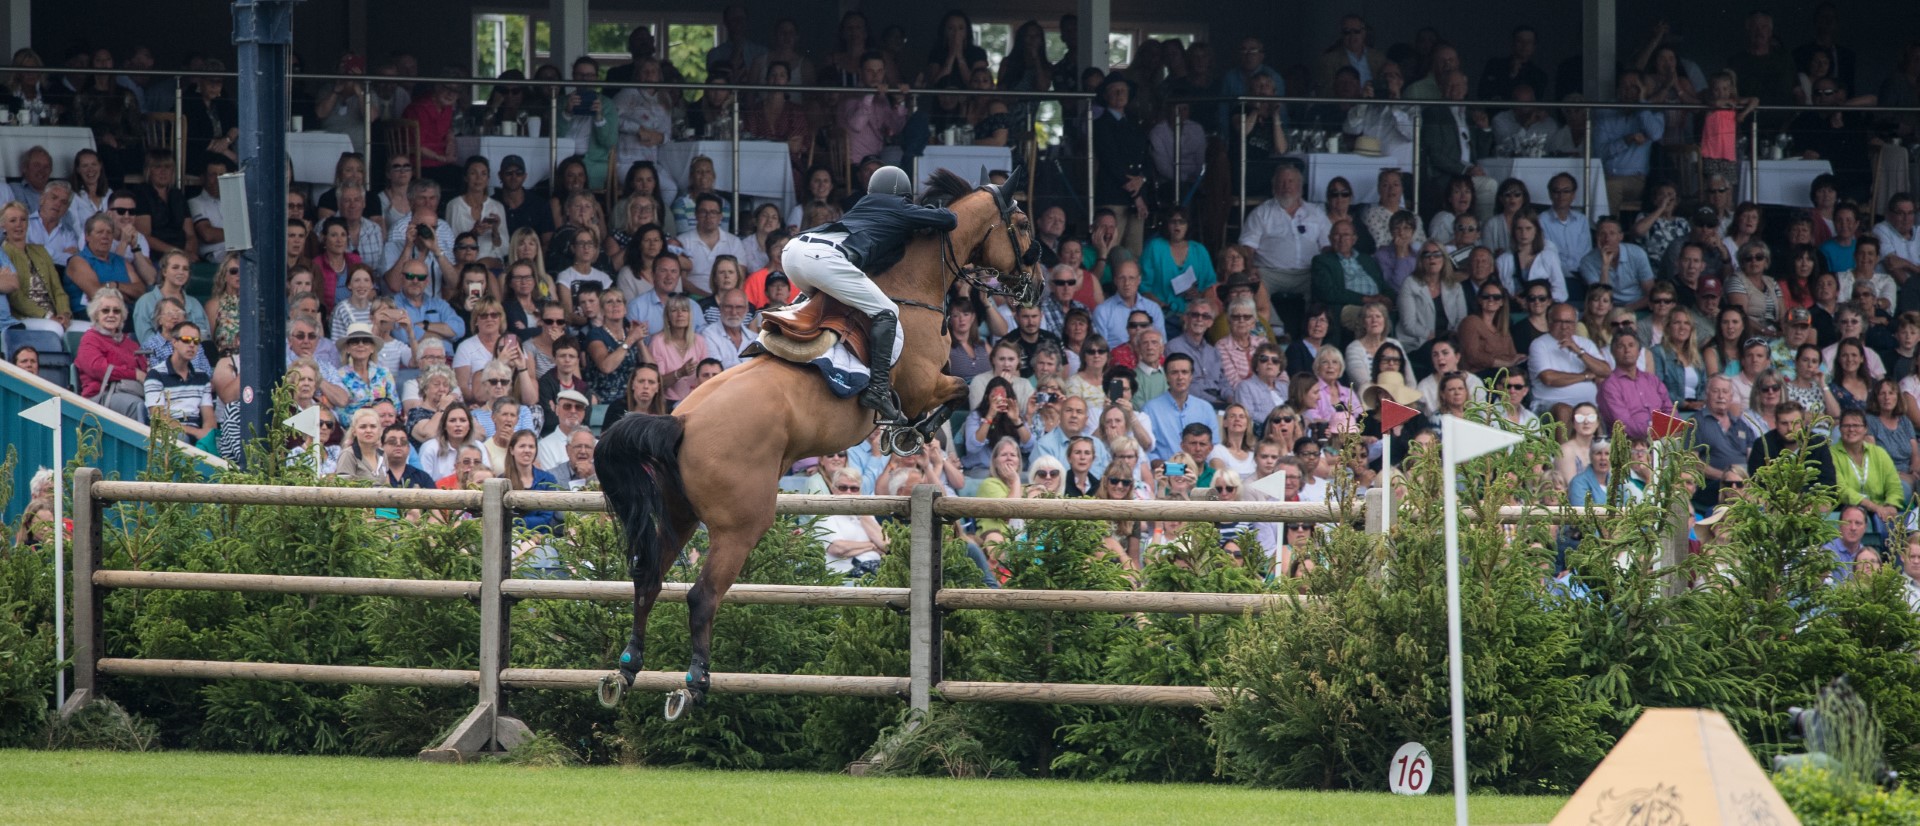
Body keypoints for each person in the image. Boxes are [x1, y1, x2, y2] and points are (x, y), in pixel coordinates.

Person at [782, 165, 957, 422]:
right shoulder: (897, 206)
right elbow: (949, 220)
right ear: (902, 195)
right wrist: (926, 210)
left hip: (794, 251)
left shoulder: (864, 205)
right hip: (823, 258)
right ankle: (878, 390)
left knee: (820, 302)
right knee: (887, 311)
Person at [1529, 302, 1613, 423]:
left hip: (1588, 405)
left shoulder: (1585, 344)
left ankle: (1601, 441)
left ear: (1575, 324)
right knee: (1564, 410)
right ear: (1549, 322)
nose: (1564, 326)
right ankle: (1564, 443)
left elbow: (1606, 371)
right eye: (1559, 321)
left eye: (1569, 322)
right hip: (1549, 406)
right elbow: (1549, 378)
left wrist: (1579, 352)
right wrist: (1585, 376)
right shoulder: (1539, 344)